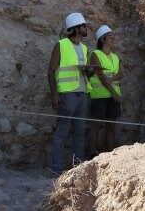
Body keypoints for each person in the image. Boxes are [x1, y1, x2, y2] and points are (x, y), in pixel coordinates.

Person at [47, 12, 91, 176]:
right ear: (76, 28)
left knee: (80, 132)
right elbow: (51, 71)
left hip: (82, 93)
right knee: (62, 132)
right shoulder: (61, 45)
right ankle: (57, 167)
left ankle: (78, 168)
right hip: (67, 94)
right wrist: (54, 94)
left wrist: (91, 71)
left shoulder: (85, 48)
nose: (86, 29)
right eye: (84, 26)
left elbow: (84, 73)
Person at [88, 25, 123, 158]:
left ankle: (111, 155)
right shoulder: (95, 54)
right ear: (102, 39)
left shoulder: (115, 56)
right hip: (99, 96)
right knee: (97, 125)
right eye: (110, 36)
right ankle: (92, 154)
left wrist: (111, 79)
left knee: (111, 127)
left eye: (113, 35)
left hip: (113, 96)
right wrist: (114, 93)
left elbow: (120, 74)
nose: (113, 38)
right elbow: (101, 77)